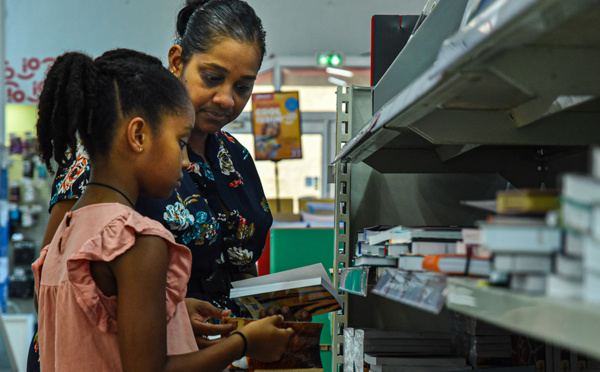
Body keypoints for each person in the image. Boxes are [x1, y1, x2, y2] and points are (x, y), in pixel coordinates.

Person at [28, 1, 309, 370]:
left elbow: (240, 265)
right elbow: (61, 281)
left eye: (242, 86)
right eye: (212, 77)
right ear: (177, 61)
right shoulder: (111, 161)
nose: (227, 98)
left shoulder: (235, 158)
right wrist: (160, 313)